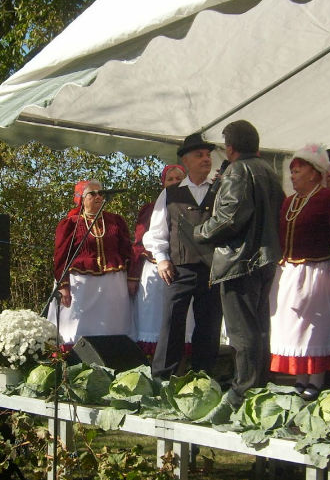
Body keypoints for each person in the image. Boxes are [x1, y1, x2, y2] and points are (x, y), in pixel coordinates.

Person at [194, 120, 284, 408]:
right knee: (258, 328)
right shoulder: (269, 170)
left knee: (242, 331)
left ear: (230, 148)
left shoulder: (238, 170)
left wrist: (201, 231)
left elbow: (231, 217)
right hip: (264, 258)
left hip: (240, 260)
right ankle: (259, 386)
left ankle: (242, 391)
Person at [144, 134, 222, 378]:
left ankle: (203, 378)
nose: (206, 159)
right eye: (200, 155)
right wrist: (162, 258)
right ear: (186, 160)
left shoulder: (219, 192)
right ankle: (162, 378)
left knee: (209, 325)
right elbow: (156, 231)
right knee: (171, 323)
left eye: (208, 155)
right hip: (179, 269)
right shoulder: (170, 194)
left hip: (212, 269)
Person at [269, 144, 330, 400]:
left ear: (314, 172)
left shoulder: (329, 199)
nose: (293, 175)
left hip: (317, 269)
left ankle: (317, 379)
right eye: (292, 171)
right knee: (293, 326)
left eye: (298, 170)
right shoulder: (290, 201)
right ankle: (300, 378)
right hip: (290, 270)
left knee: (315, 325)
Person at [49, 180, 136, 347]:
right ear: (81, 198)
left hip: (113, 284)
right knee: (78, 323)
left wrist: (132, 276)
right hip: (81, 285)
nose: (98, 197)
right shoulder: (71, 223)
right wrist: (63, 284)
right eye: (93, 193)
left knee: (113, 322)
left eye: (100, 193)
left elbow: (127, 250)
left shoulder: (115, 221)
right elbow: (60, 255)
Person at [131, 164, 189, 356]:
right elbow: (140, 244)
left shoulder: (193, 203)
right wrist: (133, 275)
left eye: (178, 179)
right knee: (154, 317)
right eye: (170, 179)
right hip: (156, 270)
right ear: (163, 183)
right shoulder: (151, 208)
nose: (174, 183)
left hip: (184, 268)